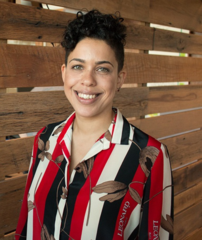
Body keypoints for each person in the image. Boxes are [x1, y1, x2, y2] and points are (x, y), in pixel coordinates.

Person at [15, 10, 173, 240]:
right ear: (64, 73)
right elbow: (26, 224)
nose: (88, 80)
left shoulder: (151, 157)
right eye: (78, 66)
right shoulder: (45, 139)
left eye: (102, 68)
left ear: (119, 78)